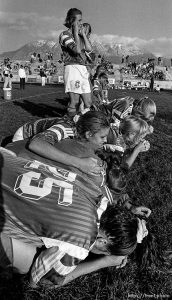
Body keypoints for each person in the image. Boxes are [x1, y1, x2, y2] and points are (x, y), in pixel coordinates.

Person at [59, 8, 92, 117]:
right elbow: (77, 50)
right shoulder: (64, 35)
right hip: (72, 68)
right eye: (78, 21)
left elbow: (89, 49)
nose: (80, 23)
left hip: (82, 69)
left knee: (88, 103)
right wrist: (76, 34)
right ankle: (71, 124)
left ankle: (80, 121)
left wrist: (83, 34)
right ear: (71, 21)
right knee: (75, 102)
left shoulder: (79, 35)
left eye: (81, 21)